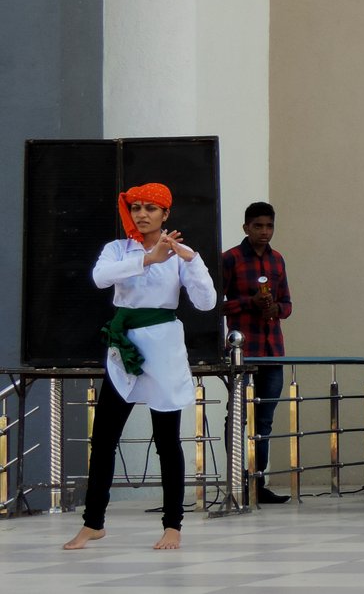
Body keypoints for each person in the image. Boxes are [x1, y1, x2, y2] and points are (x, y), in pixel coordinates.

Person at [65, 183, 217, 552]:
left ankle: (173, 525)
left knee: (167, 440)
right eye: (136, 207)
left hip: (163, 348)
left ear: (166, 214)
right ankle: (93, 523)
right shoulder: (118, 249)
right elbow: (100, 278)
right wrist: (148, 259)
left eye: (151, 208)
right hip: (125, 348)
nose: (142, 214)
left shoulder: (179, 255)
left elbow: (207, 302)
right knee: (104, 438)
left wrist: (191, 260)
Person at [219, 200, 293, 504]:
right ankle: (237, 480)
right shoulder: (230, 259)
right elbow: (214, 304)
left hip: (272, 350)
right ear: (246, 227)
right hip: (243, 352)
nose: (265, 232)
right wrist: (248, 303)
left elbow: (287, 304)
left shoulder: (278, 260)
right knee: (238, 417)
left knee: (264, 420)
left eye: (269, 226)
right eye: (258, 226)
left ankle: (258, 483)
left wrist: (276, 308)